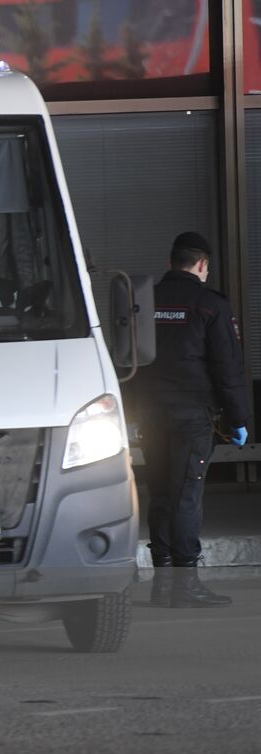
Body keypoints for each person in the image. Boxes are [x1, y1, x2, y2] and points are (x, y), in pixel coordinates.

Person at [133, 232, 248, 608]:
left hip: (150, 414)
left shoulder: (143, 301)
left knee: (162, 493)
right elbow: (227, 368)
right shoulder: (210, 304)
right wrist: (239, 419)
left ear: (171, 263)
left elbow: (127, 358)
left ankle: (162, 582)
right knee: (186, 495)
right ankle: (186, 585)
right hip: (191, 416)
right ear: (202, 265)